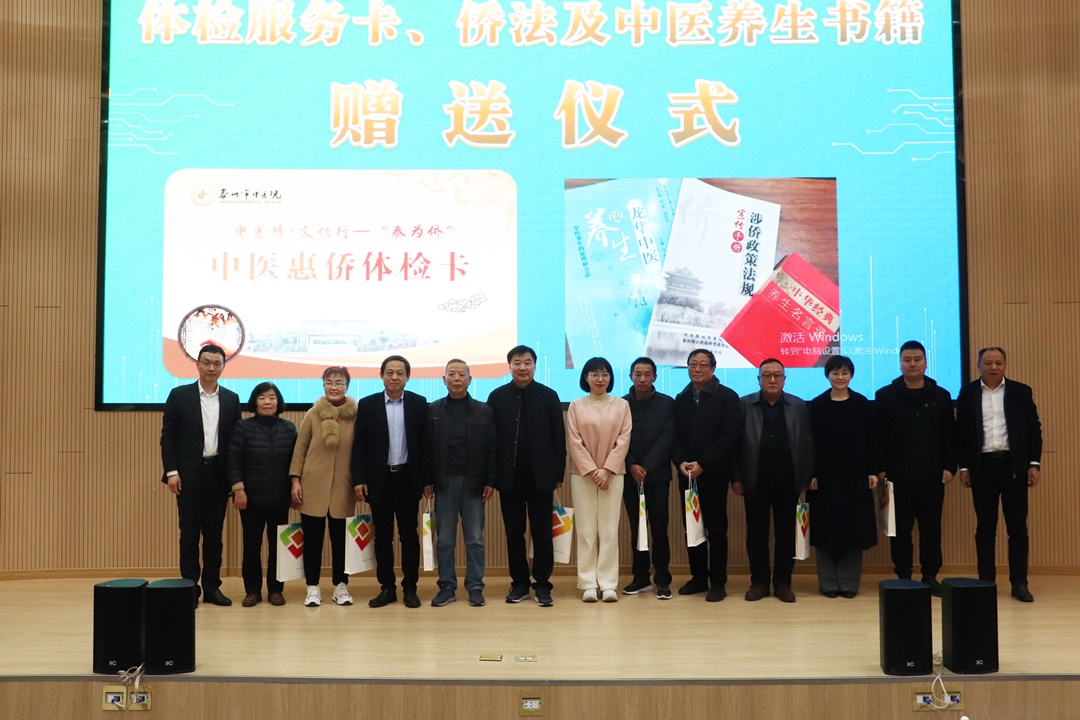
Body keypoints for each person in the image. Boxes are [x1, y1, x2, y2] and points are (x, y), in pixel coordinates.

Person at [956, 347, 1042, 602]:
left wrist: (1034, 464)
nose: (993, 367)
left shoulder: (1021, 392)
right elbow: (961, 432)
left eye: (998, 363)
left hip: (1014, 466)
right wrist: (964, 467)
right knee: (985, 527)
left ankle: (1019, 583)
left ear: (1005, 365)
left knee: (1017, 528)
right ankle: (986, 582)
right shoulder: (968, 393)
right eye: (988, 363)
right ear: (979, 366)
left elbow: (1033, 429)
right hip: (981, 467)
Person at [160, 343, 241, 607]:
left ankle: (212, 587)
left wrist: (235, 480)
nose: (211, 368)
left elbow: (235, 443)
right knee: (189, 535)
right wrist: (172, 472)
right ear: (197, 364)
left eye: (217, 363)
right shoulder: (179, 395)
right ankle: (189, 587)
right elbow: (168, 437)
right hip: (187, 476)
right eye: (206, 362)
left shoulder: (231, 399)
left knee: (214, 537)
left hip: (218, 475)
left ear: (223, 367)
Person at [874, 340, 956, 596]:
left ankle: (930, 576)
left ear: (926, 363)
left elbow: (949, 435)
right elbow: (878, 436)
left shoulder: (941, 395)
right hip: (897, 476)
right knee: (900, 531)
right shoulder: (885, 396)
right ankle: (904, 576)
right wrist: (880, 468)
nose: (912, 364)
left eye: (917, 359)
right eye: (907, 360)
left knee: (931, 529)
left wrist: (950, 466)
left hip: (932, 475)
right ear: (900, 363)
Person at [487, 345, 566, 607]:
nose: (523, 367)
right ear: (509, 366)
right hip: (509, 477)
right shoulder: (497, 396)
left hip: (541, 476)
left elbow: (558, 437)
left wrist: (558, 473)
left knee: (542, 533)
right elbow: (491, 441)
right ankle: (519, 582)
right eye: (517, 363)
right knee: (514, 533)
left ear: (534, 365)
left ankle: (542, 584)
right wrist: (492, 476)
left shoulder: (549, 396)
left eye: (528, 362)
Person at [732, 359, 814, 603]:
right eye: (766, 375)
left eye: (777, 375)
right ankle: (759, 582)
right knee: (756, 534)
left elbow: (808, 443)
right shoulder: (744, 404)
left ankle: (782, 583)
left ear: (784, 379)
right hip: (754, 479)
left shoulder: (798, 405)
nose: (772, 379)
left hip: (788, 479)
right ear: (758, 379)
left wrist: (805, 477)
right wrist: (736, 477)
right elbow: (734, 445)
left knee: (786, 534)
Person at [353, 355, 428, 609]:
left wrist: (426, 480)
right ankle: (387, 587)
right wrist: (359, 479)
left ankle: (410, 588)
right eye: (390, 372)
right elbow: (359, 446)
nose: (394, 377)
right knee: (383, 537)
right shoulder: (367, 404)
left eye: (400, 373)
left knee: (409, 536)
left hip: (408, 478)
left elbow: (425, 446)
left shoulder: (419, 403)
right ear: (381, 375)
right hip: (379, 479)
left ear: (408, 376)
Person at [672, 348, 743, 602]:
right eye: (693, 364)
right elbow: (674, 436)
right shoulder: (681, 398)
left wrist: (703, 463)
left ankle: (718, 582)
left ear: (713, 368)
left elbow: (729, 436)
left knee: (716, 530)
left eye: (703, 365)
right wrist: (680, 462)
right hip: (687, 476)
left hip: (714, 475)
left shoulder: (727, 397)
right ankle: (699, 577)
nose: (697, 369)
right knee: (692, 528)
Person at [424, 359, 496, 608]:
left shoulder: (484, 411)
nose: (456, 378)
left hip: (474, 483)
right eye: (451, 374)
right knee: (444, 540)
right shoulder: (432, 410)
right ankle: (447, 586)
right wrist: (427, 480)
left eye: (461, 374)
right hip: (443, 483)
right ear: (443, 379)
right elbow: (426, 450)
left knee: (475, 538)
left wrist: (490, 481)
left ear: (470, 380)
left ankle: (475, 586)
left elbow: (492, 449)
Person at [806, 356, 877, 599]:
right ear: (827, 375)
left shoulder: (861, 403)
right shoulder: (817, 405)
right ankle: (827, 582)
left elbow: (871, 440)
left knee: (854, 529)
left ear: (851, 376)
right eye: (835, 373)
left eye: (845, 373)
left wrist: (872, 470)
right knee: (825, 529)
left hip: (856, 475)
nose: (840, 377)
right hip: (825, 476)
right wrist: (811, 473)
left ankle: (848, 583)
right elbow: (810, 444)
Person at [289, 367, 358, 608]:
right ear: (323, 386)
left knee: (341, 542)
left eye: (339, 382)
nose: (334, 387)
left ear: (347, 386)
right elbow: (300, 450)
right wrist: (295, 480)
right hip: (313, 486)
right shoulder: (313, 414)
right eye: (329, 382)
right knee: (312, 541)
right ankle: (312, 587)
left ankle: (341, 585)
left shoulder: (356, 416)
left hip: (343, 487)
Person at [226, 382, 297, 607]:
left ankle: (276, 590)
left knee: (278, 547)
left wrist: (295, 486)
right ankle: (252, 591)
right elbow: (232, 460)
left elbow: (297, 462)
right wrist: (238, 489)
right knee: (251, 546)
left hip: (280, 498)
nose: (267, 402)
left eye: (272, 397)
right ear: (255, 402)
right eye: (262, 397)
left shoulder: (289, 428)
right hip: (251, 499)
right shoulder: (243, 427)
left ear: (278, 402)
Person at [567, 357, 632, 603]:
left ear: (610, 378)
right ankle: (588, 584)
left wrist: (606, 470)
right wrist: (593, 470)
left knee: (608, 530)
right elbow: (574, 442)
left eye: (604, 374)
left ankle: (608, 584)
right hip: (583, 475)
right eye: (594, 374)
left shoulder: (622, 405)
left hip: (613, 475)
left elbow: (623, 440)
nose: (600, 379)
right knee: (585, 530)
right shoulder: (576, 405)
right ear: (586, 378)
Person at [621, 357, 676, 599]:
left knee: (659, 529)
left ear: (655, 377)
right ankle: (640, 578)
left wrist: (646, 467)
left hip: (658, 477)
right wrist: (632, 465)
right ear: (631, 376)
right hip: (630, 477)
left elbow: (667, 438)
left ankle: (662, 579)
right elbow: (618, 439)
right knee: (637, 528)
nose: (642, 378)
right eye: (638, 374)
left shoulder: (667, 403)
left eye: (647, 374)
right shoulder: (621, 404)